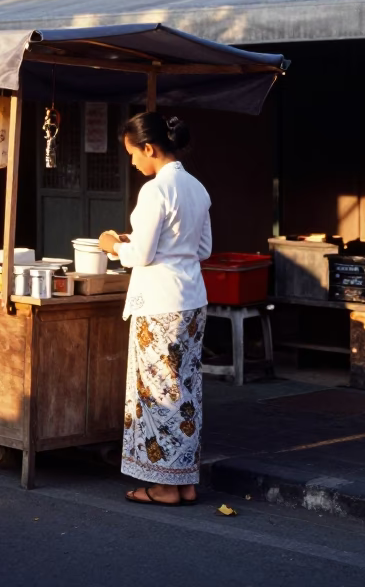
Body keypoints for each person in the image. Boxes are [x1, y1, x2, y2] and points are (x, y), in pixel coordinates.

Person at [98, 112, 211, 507]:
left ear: (149, 148)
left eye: (133, 154)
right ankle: (184, 481)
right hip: (192, 300)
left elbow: (140, 255)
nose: (132, 163)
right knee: (185, 391)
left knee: (158, 393)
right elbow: (202, 249)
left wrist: (112, 244)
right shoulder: (196, 187)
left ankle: (164, 486)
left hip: (160, 303)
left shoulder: (155, 190)